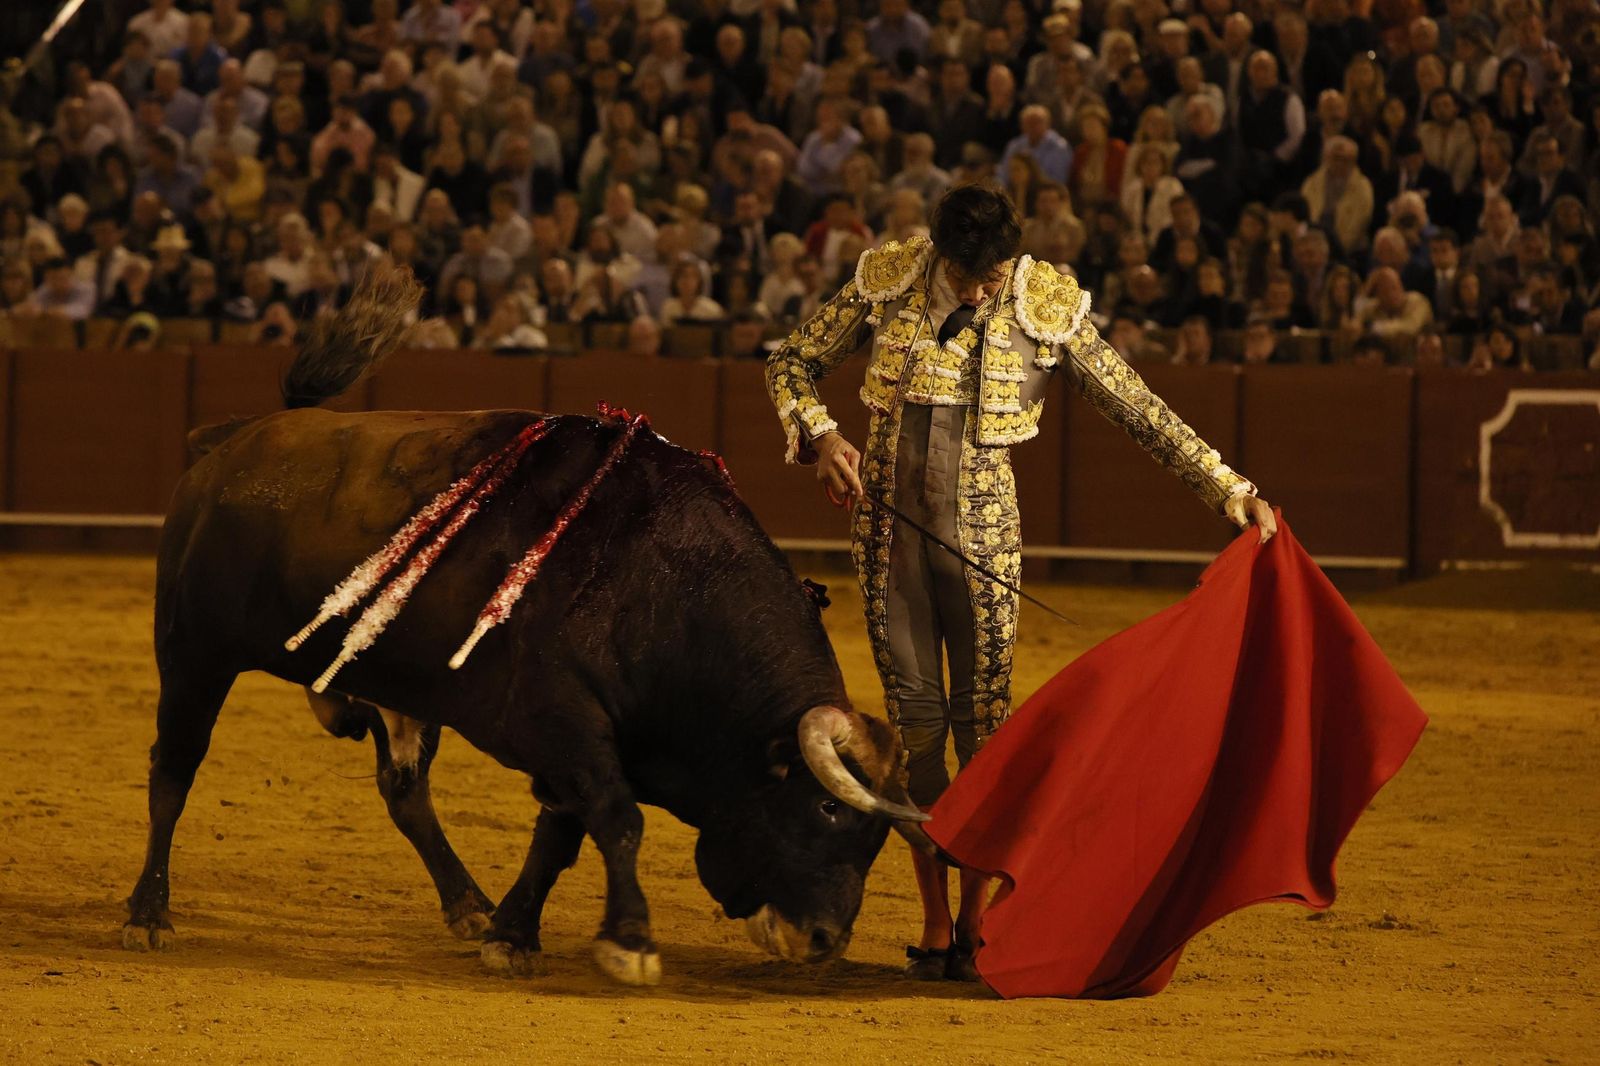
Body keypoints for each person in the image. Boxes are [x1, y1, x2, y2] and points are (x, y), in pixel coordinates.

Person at [764, 185, 1275, 983]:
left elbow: (1137, 405)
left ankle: (977, 919)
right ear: (939, 253)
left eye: (992, 272)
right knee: (919, 734)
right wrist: (822, 434)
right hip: (889, 544)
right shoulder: (890, 279)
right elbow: (791, 359)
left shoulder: (1042, 299)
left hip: (984, 546)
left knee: (986, 735)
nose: (980, 290)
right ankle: (935, 921)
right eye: (968, 274)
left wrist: (1226, 485)